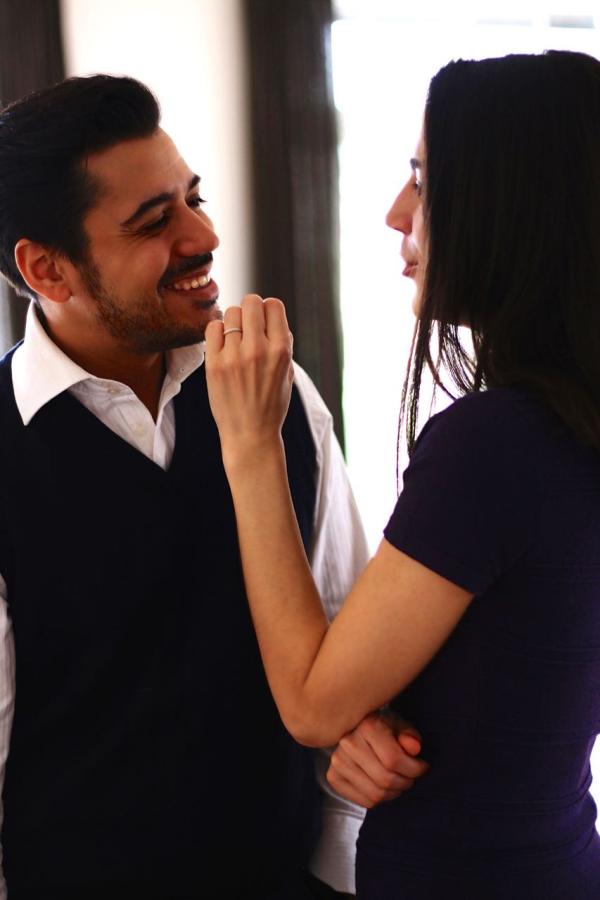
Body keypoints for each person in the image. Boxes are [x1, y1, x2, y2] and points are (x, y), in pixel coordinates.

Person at [0, 75, 429, 899]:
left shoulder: (280, 392)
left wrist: (359, 750)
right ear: (47, 270)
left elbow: (341, 650)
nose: (204, 236)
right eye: (153, 222)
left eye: (192, 200)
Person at [204, 49, 600, 899]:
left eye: (423, 181)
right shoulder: (568, 423)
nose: (395, 214)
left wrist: (251, 445)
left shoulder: (497, 443)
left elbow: (310, 702)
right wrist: (374, 716)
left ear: (513, 204)